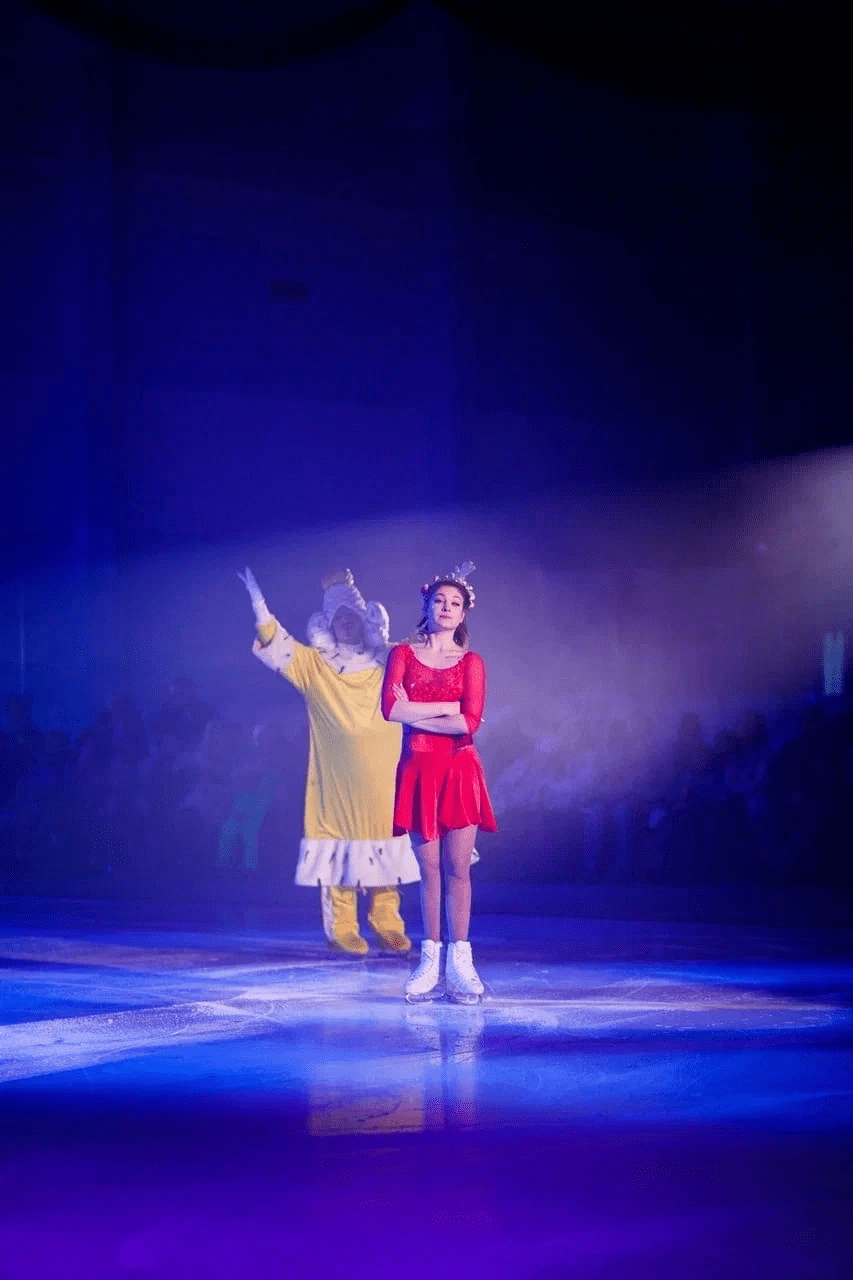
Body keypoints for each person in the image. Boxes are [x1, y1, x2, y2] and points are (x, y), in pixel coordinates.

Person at [240, 566, 419, 954]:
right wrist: (260, 606)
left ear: (364, 619)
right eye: (339, 619)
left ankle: (387, 921)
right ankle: (342, 926)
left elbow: (424, 647)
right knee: (339, 851)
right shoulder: (315, 665)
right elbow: (278, 645)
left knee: (386, 846)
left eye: (351, 617)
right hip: (335, 783)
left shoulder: (389, 659)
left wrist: (445, 605)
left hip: (382, 779)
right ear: (328, 624)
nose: (346, 624)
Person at [381, 563, 496, 1003]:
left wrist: (420, 711)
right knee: (428, 871)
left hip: (459, 770)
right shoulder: (402, 655)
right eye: (440, 601)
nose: (447, 608)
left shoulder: (471, 662)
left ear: (464, 613)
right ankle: (430, 961)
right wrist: (446, 708)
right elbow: (390, 710)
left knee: (458, 869)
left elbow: (469, 722)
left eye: (455, 603)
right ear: (426, 605)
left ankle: (460, 962)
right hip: (418, 770)